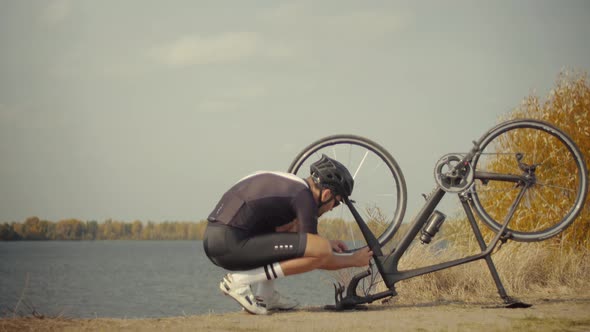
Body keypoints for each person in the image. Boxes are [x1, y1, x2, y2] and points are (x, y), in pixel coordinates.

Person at [203, 154, 373, 315]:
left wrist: (327, 242)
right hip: (230, 242)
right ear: (327, 194)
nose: (331, 209)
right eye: (336, 203)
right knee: (319, 248)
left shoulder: (292, 185)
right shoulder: (303, 197)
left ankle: (266, 296)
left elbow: (291, 237)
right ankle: (240, 281)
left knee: (293, 234)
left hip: (216, 239)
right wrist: (353, 260)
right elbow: (318, 254)